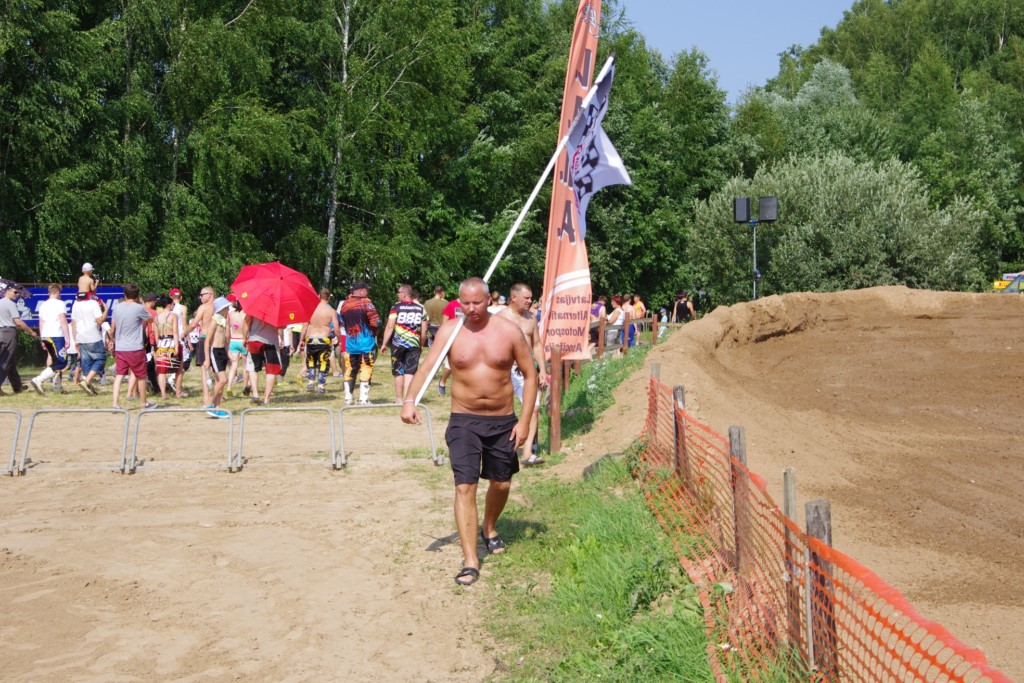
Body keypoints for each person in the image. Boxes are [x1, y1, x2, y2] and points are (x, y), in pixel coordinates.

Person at [401, 277, 537, 586]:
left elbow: (530, 375)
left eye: (477, 302)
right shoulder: (450, 331)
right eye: (465, 303)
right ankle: (470, 560)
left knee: (501, 483)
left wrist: (525, 421)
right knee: (465, 486)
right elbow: (427, 367)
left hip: (502, 421)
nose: (471, 308)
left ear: (489, 300)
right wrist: (409, 401)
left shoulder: (509, 331)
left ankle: (489, 526)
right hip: (464, 420)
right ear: (458, 302)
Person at [496, 283, 548, 465]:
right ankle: (500, 448)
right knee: (501, 409)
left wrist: (543, 370)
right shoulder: (500, 318)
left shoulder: (531, 318)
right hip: (504, 368)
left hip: (525, 370)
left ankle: (527, 453)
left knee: (534, 407)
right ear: (514, 298)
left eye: (530, 297)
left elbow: (537, 344)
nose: (530, 301)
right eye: (526, 298)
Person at [109, 283, 155, 409]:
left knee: (119, 375)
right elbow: (151, 320)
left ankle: (115, 403)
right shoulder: (139, 308)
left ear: (125, 294)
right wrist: (141, 304)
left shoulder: (117, 308)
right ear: (138, 295)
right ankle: (143, 403)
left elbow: (113, 326)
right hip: (135, 347)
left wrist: (111, 340)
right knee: (141, 376)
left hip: (120, 347)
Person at [380, 284, 427, 402]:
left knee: (398, 371)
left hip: (397, 345)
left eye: (399, 292)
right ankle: (407, 399)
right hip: (414, 344)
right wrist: (421, 344)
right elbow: (424, 331)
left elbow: (390, 326)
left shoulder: (395, 308)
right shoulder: (421, 309)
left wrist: (384, 343)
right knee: (410, 372)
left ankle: (399, 399)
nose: (397, 294)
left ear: (404, 294)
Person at [339, 281, 380, 405]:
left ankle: (348, 397)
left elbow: (341, 324)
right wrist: (375, 332)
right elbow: (375, 322)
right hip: (366, 342)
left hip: (351, 343)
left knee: (350, 368)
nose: (368, 292)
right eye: (367, 290)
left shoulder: (345, 304)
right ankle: (364, 398)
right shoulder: (367, 303)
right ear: (362, 291)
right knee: (366, 367)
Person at [30, 284, 72, 394]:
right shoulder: (60, 304)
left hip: (46, 335)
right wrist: (67, 337)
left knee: (54, 359)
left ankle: (57, 386)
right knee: (61, 362)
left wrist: (42, 338)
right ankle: (39, 379)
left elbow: (41, 322)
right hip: (56, 335)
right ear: (57, 292)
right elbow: (63, 321)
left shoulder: (43, 305)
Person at [299, 288, 341, 394]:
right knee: (323, 362)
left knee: (311, 361)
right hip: (324, 339)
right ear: (329, 298)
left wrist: (301, 340)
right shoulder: (331, 311)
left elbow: (304, 327)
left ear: (318, 297)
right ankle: (321, 386)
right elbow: (336, 329)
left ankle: (311, 382)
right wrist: (340, 340)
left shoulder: (310, 309)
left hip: (311, 339)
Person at [0, 283, 38, 395]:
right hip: (8, 333)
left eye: (18, 292)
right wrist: (31, 332)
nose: (17, 294)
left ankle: (17, 387)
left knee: (10, 361)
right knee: (5, 361)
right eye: (15, 292)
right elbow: (18, 322)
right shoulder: (11, 304)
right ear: (7, 291)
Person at [243, 309, 282, 406]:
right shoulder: (277, 307)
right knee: (271, 370)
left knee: (252, 367)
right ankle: (266, 399)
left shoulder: (255, 305)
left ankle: (255, 394)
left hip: (255, 339)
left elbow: (247, 321)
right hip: (271, 341)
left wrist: (244, 337)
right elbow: (282, 326)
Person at [70, 291, 106, 395]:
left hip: (81, 337)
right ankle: (86, 381)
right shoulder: (93, 303)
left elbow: (73, 324)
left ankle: (88, 384)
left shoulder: (75, 305)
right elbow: (99, 321)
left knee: (86, 363)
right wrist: (106, 311)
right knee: (101, 359)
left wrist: (75, 340)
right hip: (93, 336)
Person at [187, 286, 216, 405]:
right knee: (218, 369)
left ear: (210, 294)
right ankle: (217, 395)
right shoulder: (219, 307)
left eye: (202, 295)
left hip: (205, 338)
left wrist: (185, 332)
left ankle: (206, 397)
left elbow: (194, 324)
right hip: (216, 339)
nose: (200, 297)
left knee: (204, 369)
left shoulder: (203, 307)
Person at [203, 297, 231, 418]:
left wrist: (228, 354)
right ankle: (208, 402)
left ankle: (217, 407)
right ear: (222, 308)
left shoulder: (224, 321)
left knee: (219, 382)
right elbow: (207, 340)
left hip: (222, 351)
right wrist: (207, 359)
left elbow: (225, 340)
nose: (228, 309)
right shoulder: (214, 320)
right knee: (223, 380)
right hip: (215, 351)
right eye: (227, 307)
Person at [153, 295, 181, 400]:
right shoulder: (173, 316)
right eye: (173, 304)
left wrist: (157, 347)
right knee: (179, 368)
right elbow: (175, 331)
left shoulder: (156, 317)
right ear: (169, 305)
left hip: (161, 343)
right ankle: (178, 391)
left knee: (161, 370)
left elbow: (156, 334)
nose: (174, 306)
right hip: (171, 342)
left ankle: (163, 393)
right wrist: (177, 347)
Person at [437, 296, 463, 396]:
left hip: (466, 338)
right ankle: (442, 381)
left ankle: (460, 387)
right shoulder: (452, 305)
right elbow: (444, 322)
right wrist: (443, 337)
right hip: (452, 338)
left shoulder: (470, 306)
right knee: (449, 366)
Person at [168, 288, 189, 397]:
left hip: (169, 336)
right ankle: (172, 379)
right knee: (184, 360)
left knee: (171, 360)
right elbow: (184, 324)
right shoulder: (183, 308)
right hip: (180, 335)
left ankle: (172, 380)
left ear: (170, 297)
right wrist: (188, 337)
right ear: (181, 297)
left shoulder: (168, 308)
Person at [226, 297, 247, 397]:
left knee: (233, 365)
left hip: (233, 340)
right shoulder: (245, 314)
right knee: (245, 366)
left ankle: (229, 386)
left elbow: (227, 330)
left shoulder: (230, 314)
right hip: (242, 340)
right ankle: (245, 387)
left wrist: (227, 342)